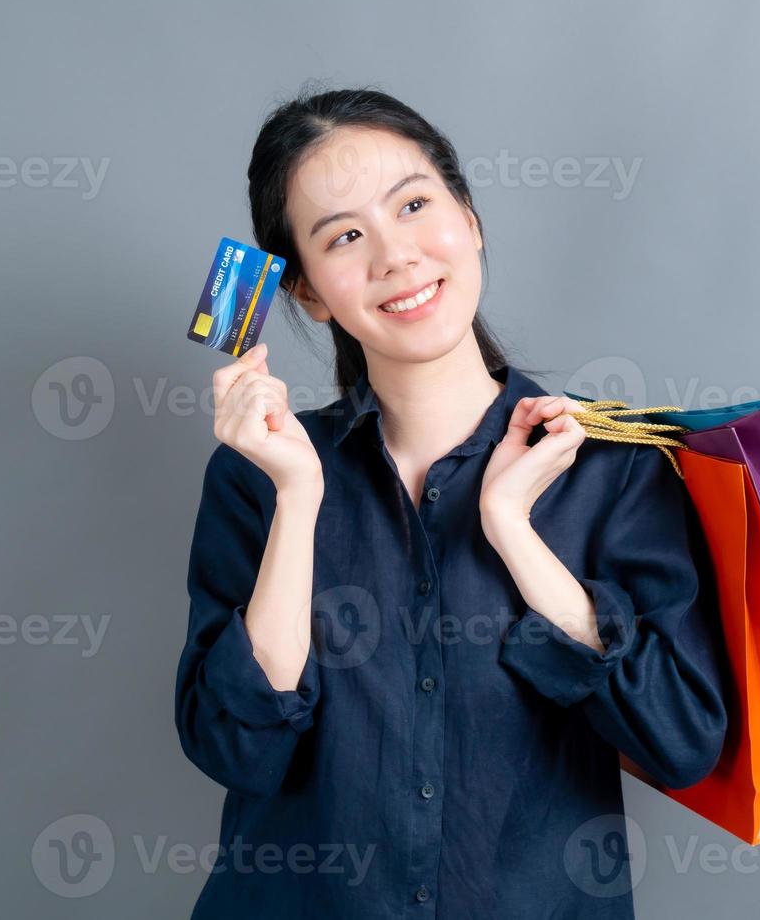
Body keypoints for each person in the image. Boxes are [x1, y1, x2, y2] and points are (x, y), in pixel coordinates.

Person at [174, 86, 729, 918]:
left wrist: (515, 534)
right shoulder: (259, 475)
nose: (395, 256)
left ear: (469, 219)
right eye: (346, 236)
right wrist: (296, 497)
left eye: (415, 205)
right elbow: (236, 748)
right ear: (308, 293)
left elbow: (682, 741)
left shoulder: (611, 467)